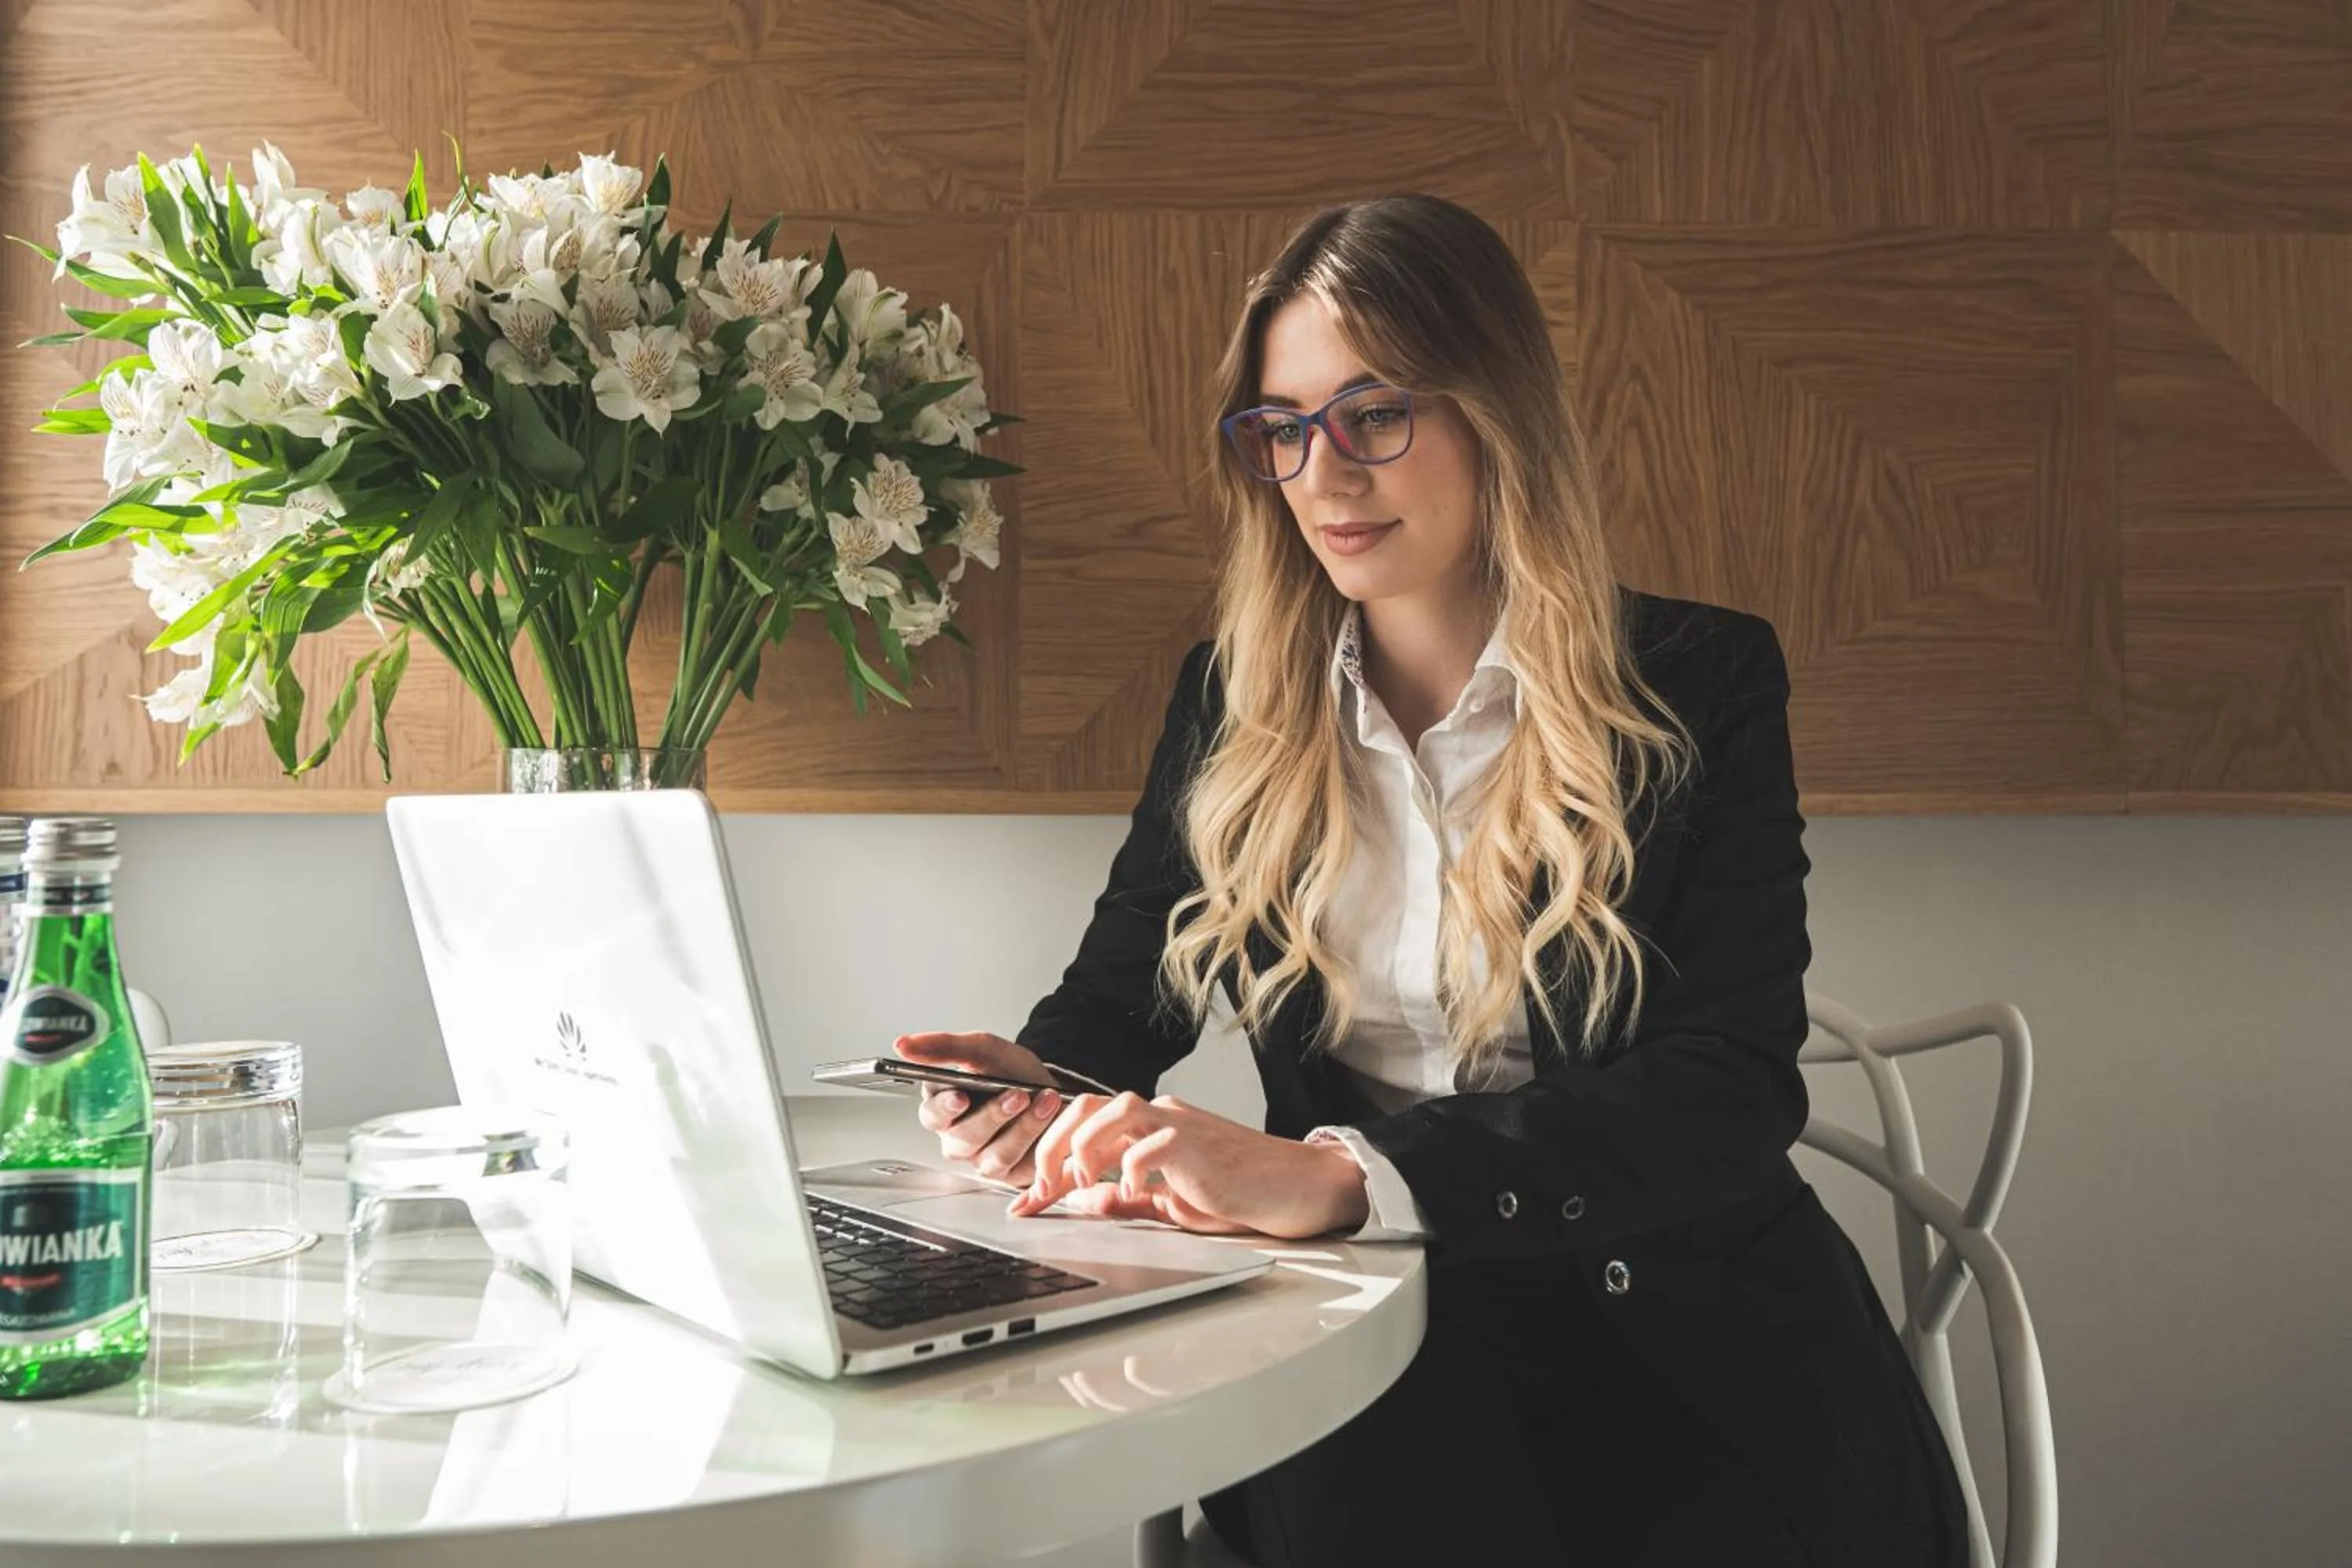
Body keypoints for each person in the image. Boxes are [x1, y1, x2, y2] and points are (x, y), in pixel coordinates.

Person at [893, 192, 1969, 1567]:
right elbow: (1123, 1003)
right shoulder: (1234, 703)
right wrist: (1040, 1087)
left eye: (1375, 414)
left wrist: (1350, 1176)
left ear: (1495, 413)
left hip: (1682, 1333)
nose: (1325, 475)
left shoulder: (1698, 686)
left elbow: (1728, 1089)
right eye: (1282, 428)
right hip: (1366, 1335)